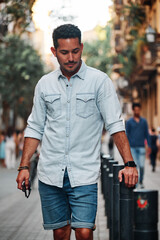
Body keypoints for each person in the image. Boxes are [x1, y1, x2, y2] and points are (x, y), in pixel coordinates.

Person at [16, 24, 138, 240]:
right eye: (64, 52)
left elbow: (115, 124)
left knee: (83, 231)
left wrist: (129, 164)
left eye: (75, 51)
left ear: (81, 47)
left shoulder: (99, 82)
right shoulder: (45, 85)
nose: (71, 57)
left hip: (84, 173)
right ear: (54, 52)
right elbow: (35, 126)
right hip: (50, 173)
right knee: (60, 232)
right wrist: (24, 166)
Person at [126, 102, 150, 188]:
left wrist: (149, 146)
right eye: (135, 110)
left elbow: (147, 134)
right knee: (135, 166)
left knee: (142, 166)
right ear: (133, 110)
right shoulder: (129, 122)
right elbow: (127, 135)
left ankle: (141, 181)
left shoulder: (144, 121)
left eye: (138, 110)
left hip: (141, 147)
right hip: (132, 148)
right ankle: (136, 183)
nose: (137, 112)